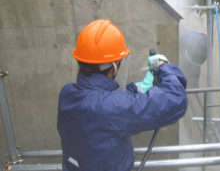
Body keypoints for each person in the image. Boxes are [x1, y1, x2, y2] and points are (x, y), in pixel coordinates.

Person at [57, 19, 188, 171]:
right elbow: (175, 99)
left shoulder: (67, 94)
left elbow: (104, 100)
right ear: (114, 66)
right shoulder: (110, 107)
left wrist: (139, 88)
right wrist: (164, 67)